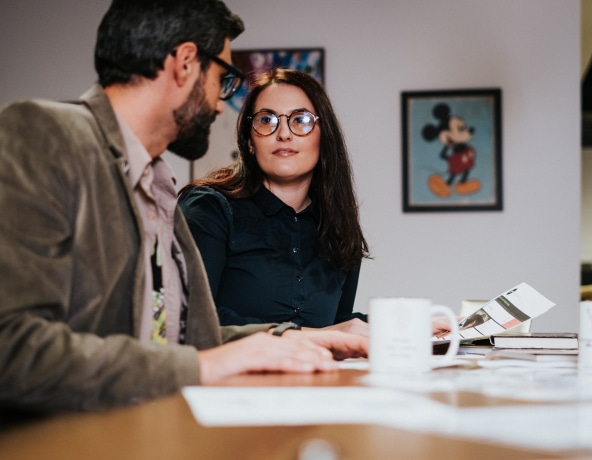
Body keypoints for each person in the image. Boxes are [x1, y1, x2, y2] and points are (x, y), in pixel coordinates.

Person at [0, 0, 368, 415]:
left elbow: (176, 338)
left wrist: (291, 337)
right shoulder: (42, 134)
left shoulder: (156, 184)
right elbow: (11, 348)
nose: (218, 104)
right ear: (186, 63)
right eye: (223, 80)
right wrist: (204, 365)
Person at [179, 69, 370, 336]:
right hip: (226, 377)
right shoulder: (209, 209)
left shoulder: (338, 226)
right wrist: (311, 337)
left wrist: (410, 325)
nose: (283, 133)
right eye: (267, 119)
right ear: (249, 141)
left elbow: (338, 323)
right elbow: (190, 320)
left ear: (324, 137)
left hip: (318, 378)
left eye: (301, 119)